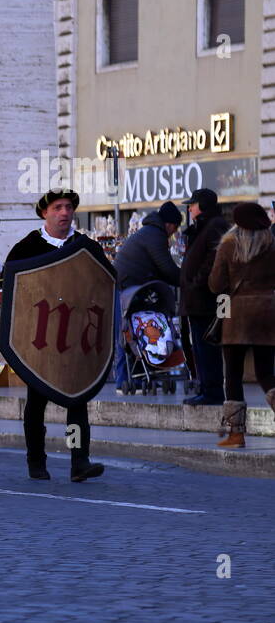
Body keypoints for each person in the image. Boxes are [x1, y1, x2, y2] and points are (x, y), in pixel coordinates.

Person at [6, 189, 105, 482]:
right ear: (44, 213)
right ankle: (36, 461)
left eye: (68, 207)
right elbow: (13, 289)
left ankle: (79, 460)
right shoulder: (26, 248)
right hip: (39, 339)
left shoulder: (86, 247)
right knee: (36, 404)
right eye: (58, 208)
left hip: (76, 338)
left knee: (77, 402)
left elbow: (104, 283)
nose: (64, 213)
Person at [207, 201, 275, 448]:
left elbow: (215, 284)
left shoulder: (228, 246)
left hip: (236, 316)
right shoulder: (272, 245)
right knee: (267, 374)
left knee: (233, 375)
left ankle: (236, 435)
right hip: (268, 314)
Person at [112, 202, 181, 393]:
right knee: (126, 333)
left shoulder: (150, 232)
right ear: (169, 224)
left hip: (132, 286)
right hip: (125, 286)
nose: (173, 233)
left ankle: (142, 377)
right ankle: (123, 380)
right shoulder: (155, 235)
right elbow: (166, 267)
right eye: (175, 228)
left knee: (134, 331)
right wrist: (185, 280)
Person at [179, 188, 228, 406]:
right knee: (199, 345)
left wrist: (196, 283)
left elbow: (213, 259)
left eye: (193, 204)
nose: (189, 208)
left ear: (203, 206)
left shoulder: (215, 225)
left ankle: (213, 391)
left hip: (205, 299)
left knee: (207, 346)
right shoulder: (202, 226)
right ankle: (206, 387)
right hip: (196, 299)